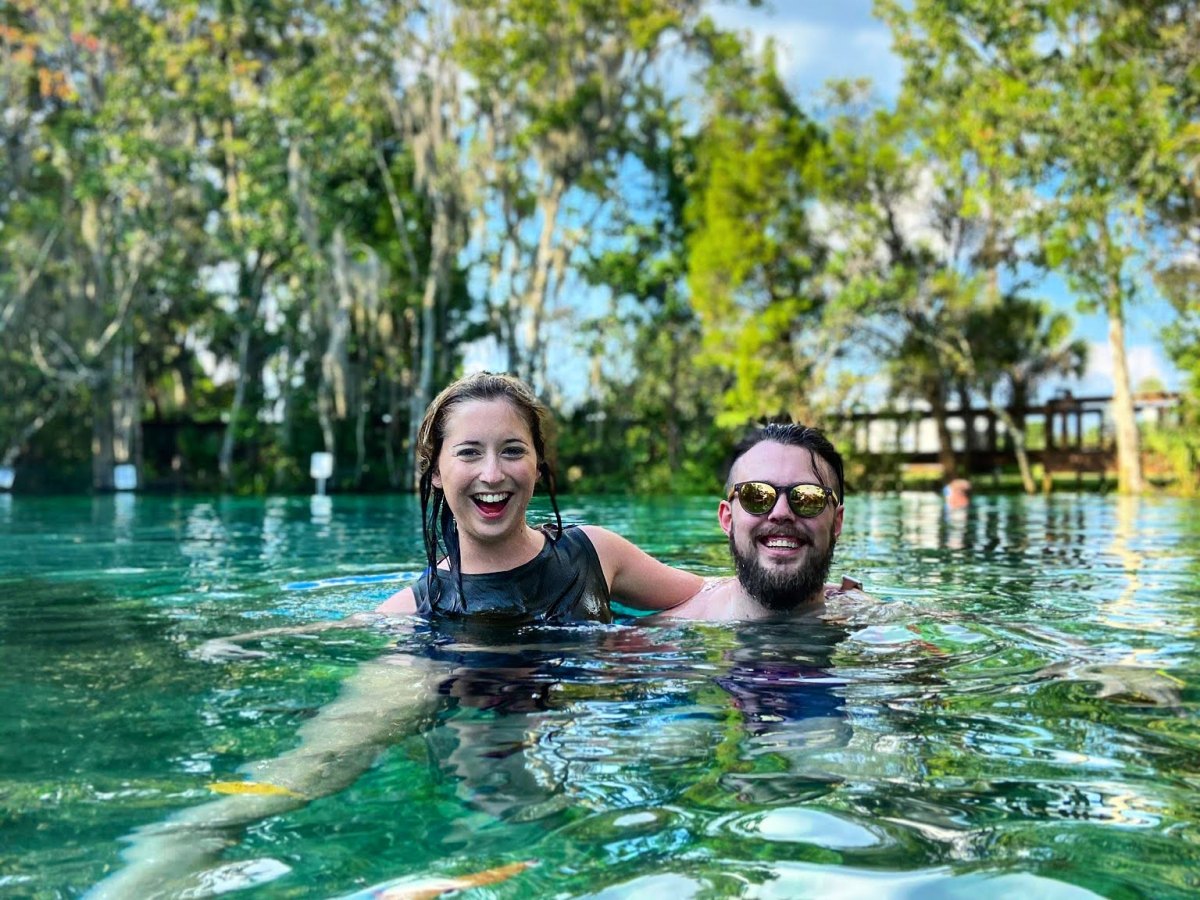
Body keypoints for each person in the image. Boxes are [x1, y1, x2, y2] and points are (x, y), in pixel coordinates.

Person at [374, 371, 702, 621]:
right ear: (435, 474)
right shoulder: (411, 614)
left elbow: (711, 596)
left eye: (512, 451)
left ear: (538, 467)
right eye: (470, 453)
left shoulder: (596, 555)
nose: (492, 474)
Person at [665, 423, 864, 622]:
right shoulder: (671, 627)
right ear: (727, 519)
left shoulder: (871, 623)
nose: (781, 512)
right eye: (756, 496)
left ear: (837, 523)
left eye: (808, 498)